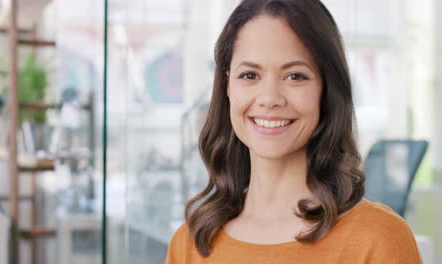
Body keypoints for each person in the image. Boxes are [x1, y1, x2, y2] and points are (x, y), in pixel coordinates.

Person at [165, 0, 423, 263]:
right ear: (227, 85)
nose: (269, 98)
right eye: (250, 75)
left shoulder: (377, 239)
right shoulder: (191, 243)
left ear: (326, 90)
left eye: (295, 76)